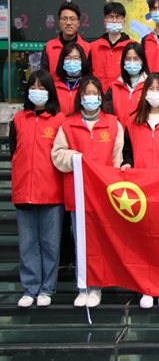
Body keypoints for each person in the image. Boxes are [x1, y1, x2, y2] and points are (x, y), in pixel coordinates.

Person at [52, 76, 124, 308]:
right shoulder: (68, 124)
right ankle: (82, 286)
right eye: (86, 93)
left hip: (103, 196)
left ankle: (96, 287)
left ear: (101, 97)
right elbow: (57, 154)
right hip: (78, 195)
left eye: (95, 93)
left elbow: (117, 159)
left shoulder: (113, 124)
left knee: (99, 243)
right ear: (80, 97)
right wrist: (73, 157)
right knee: (80, 243)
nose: (91, 97)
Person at [121, 73, 159, 309]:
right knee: (142, 241)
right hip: (139, 191)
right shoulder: (132, 122)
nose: (155, 93)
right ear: (144, 93)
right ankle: (145, 288)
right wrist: (127, 163)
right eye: (151, 89)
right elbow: (127, 152)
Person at [10, 70, 65, 308]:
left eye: (42, 88)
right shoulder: (18, 120)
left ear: (50, 92)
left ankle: (46, 288)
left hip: (51, 193)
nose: (37, 92)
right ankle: (30, 288)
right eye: (33, 87)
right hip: (24, 191)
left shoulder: (59, 120)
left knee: (50, 244)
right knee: (27, 244)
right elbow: (14, 152)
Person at [89, 2, 135, 93]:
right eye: (110, 17)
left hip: (123, 95)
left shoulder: (132, 46)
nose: (114, 21)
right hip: (99, 96)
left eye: (118, 17)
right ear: (105, 20)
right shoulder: (94, 47)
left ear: (124, 21)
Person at [41, 1, 91, 82]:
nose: (68, 23)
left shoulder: (87, 48)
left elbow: (89, 77)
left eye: (72, 19)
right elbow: (44, 77)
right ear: (59, 22)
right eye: (64, 19)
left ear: (78, 23)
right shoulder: (49, 47)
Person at [105, 42, 149, 126]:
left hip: (141, 131)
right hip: (119, 131)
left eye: (136, 59)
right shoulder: (114, 87)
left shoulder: (150, 86)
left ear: (142, 61)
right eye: (128, 59)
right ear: (123, 61)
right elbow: (108, 114)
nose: (132, 62)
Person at [54, 42, 92, 116]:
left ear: (82, 61)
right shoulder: (54, 87)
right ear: (62, 61)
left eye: (76, 58)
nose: (72, 62)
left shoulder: (88, 86)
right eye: (68, 58)